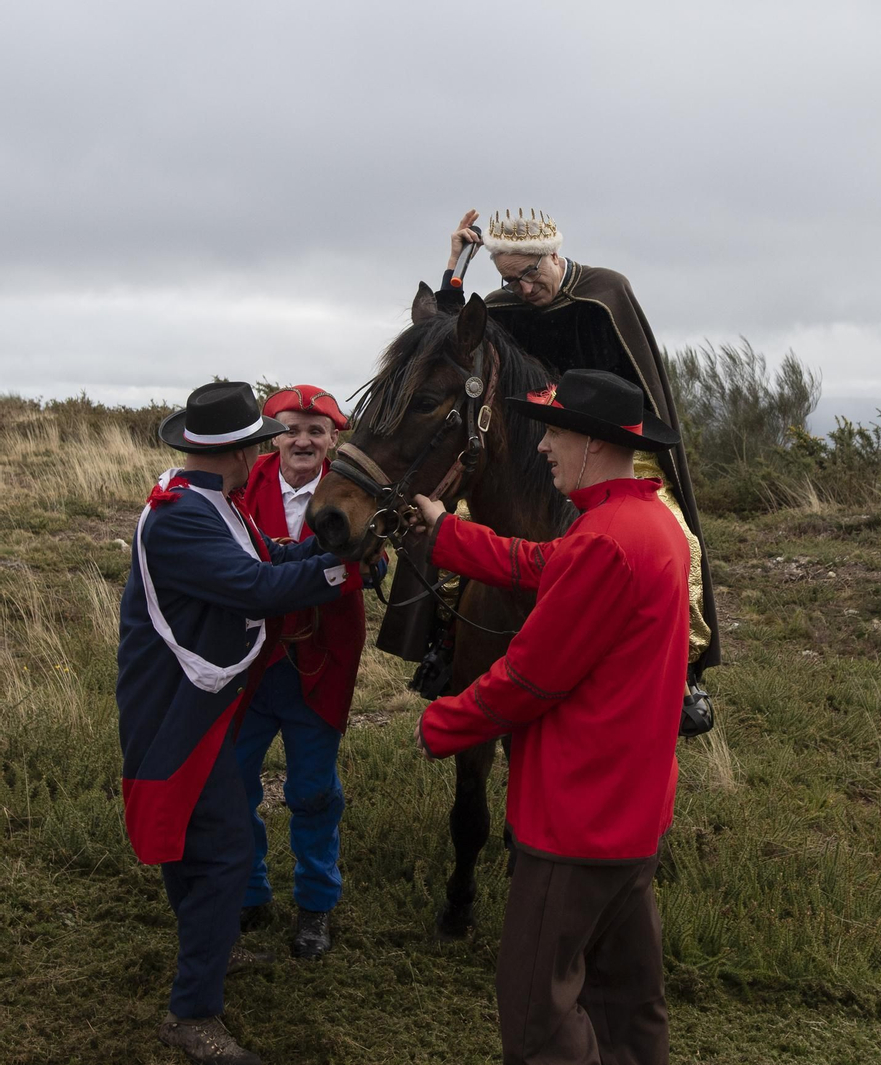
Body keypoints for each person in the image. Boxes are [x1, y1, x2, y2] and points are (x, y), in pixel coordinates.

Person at [408, 370, 688, 1065]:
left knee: (539, 1016)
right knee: (627, 1002)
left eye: (553, 432)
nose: (542, 448)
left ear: (593, 443)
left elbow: (527, 679)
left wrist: (442, 725)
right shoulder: (650, 524)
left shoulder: (603, 540)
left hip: (573, 825)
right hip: (630, 823)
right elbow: (539, 562)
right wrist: (449, 534)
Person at [118, 381, 351, 1065]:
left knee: (197, 838)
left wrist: (332, 552)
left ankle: (208, 945)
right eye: (257, 444)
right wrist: (341, 574)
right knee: (217, 849)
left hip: (197, 699)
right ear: (241, 452)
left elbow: (270, 557)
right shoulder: (186, 517)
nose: (263, 456)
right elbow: (257, 588)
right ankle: (193, 1012)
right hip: (179, 705)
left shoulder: (201, 501)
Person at [436, 208, 718, 688]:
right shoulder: (505, 307)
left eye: (530, 273)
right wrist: (455, 268)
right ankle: (445, 646)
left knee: (678, 537)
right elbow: (451, 342)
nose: (523, 289)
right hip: (533, 443)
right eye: (510, 279)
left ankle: (682, 669)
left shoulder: (605, 295)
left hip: (617, 441)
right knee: (453, 519)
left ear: (553, 254)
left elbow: (639, 387)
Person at [235, 385, 371, 959]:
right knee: (233, 780)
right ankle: (247, 890)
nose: (302, 440)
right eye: (291, 428)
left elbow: (371, 560)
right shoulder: (242, 484)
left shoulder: (355, 490)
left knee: (313, 792)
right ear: (275, 434)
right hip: (248, 663)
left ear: (333, 439)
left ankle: (315, 906)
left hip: (322, 661)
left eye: (316, 430)